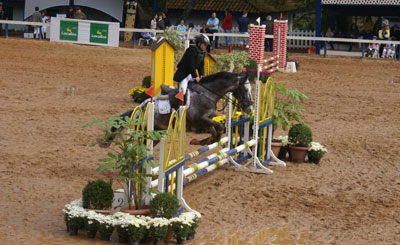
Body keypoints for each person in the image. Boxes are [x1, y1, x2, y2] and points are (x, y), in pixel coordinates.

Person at [173, 34, 209, 103]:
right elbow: (191, 65)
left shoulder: (202, 53)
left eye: (206, 45)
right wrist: (195, 77)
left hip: (191, 75)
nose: (205, 47)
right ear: (199, 43)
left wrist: (202, 75)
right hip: (184, 75)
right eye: (204, 44)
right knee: (182, 92)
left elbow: (201, 65)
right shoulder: (192, 50)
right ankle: (178, 107)